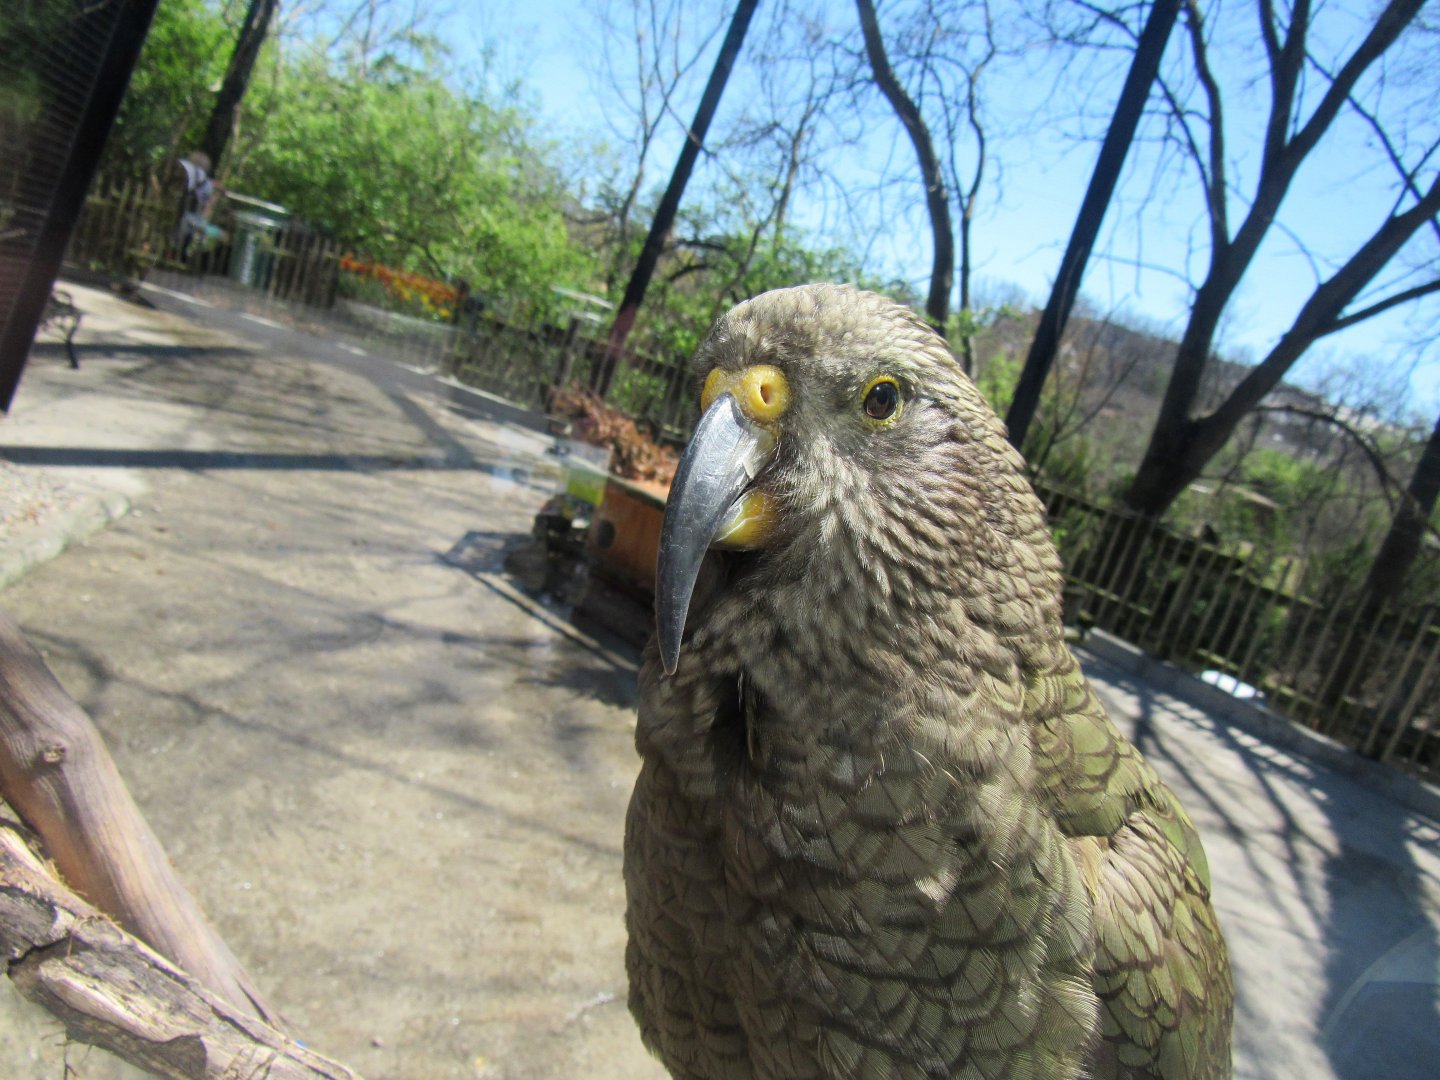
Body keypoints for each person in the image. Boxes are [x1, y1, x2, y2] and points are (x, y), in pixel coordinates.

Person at [174, 151, 220, 260]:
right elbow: (205, 203)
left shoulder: (181, 166)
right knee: (195, 227)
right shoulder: (206, 182)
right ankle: (182, 254)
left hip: (171, 208)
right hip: (188, 216)